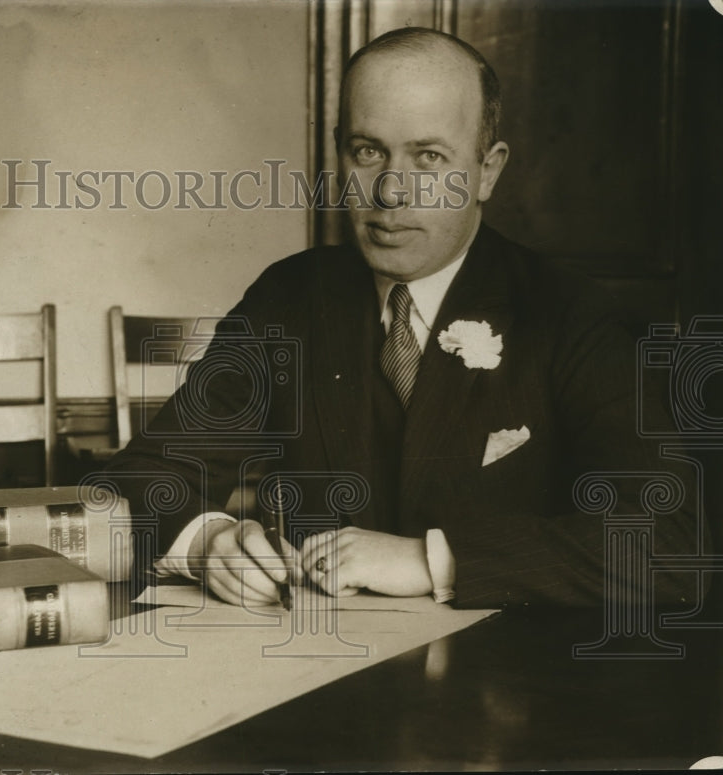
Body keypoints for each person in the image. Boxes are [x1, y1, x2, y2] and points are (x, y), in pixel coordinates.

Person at [104, 27, 699, 608]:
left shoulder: (573, 314)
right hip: (309, 678)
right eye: (368, 152)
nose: (390, 191)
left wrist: (428, 559)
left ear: (486, 170)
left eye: (429, 158)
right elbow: (141, 478)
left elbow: (672, 546)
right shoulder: (288, 298)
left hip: (506, 689)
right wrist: (205, 543)